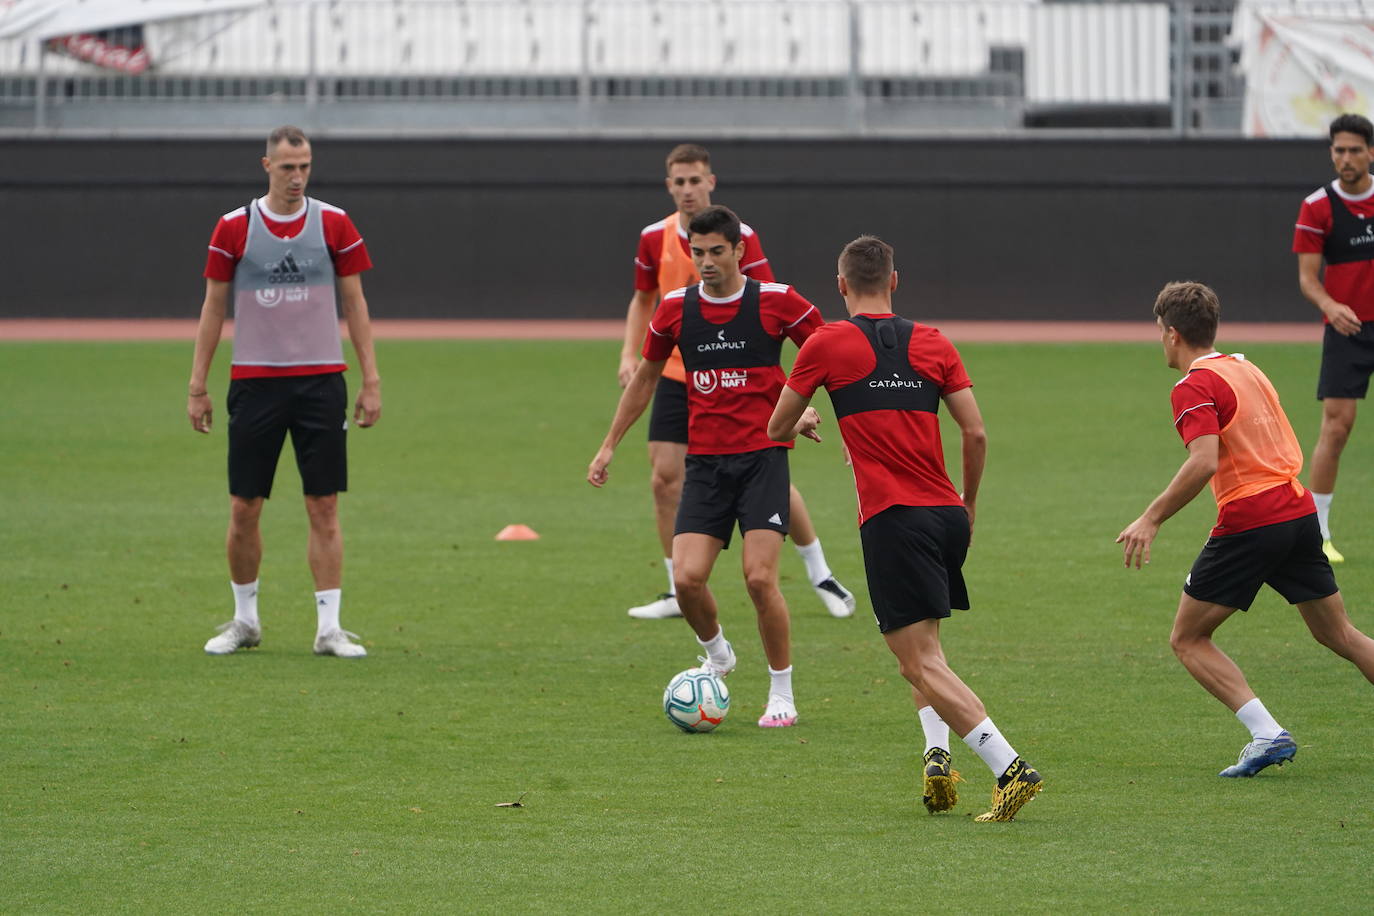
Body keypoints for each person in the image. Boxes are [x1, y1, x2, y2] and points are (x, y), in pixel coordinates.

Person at [768, 236, 1043, 821]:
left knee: (918, 662)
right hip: (946, 514)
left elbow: (775, 428)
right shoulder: (934, 341)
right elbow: (976, 434)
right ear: (896, 282)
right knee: (926, 651)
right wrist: (968, 504)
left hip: (892, 520)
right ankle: (937, 757)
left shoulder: (825, 343)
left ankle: (1010, 768)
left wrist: (814, 416)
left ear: (841, 286)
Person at [1117, 281, 1374, 777]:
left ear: (1172, 334)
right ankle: (1266, 734)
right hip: (1297, 511)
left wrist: (1151, 518)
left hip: (1253, 519)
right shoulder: (1245, 367)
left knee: (1187, 638)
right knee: (1338, 632)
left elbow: (1203, 462)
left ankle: (1267, 733)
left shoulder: (1193, 385)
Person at [591, 205, 822, 728]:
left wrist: (802, 405)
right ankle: (718, 655)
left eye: (717, 251)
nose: (707, 262)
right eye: (698, 253)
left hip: (763, 461)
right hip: (708, 467)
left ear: (740, 250)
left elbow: (830, 351)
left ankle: (781, 691)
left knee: (759, 580)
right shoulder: (675, 309)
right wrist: (609, 445)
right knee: (688, 581)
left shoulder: (778, 301)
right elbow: (646, 379)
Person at [617, 143, 854, 620]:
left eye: (695, 180)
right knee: (665, 480)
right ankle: (675, 590)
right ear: (669, 186)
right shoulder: (653, 237)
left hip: (743, 376)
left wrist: (788, 395)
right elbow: (644, 298)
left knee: (768, 477)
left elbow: (764, 310)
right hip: (676, 373)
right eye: (679, 182)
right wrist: (630, 351)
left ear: (711, 181)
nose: (687, 189)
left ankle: (819, 570)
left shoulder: (742, 236)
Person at [187, 125, 381, 658]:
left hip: (321, 381)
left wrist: (370, 379)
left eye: (306, 166)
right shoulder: (234, 227)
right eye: (288, 167)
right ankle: (245, 620)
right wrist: (198, 385)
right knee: (245, 506)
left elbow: (356, 303)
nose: (298, 177)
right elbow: (212, 307)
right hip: (255, 383)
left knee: (323, 505)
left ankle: (329, 628)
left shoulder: (335, 224)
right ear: (266, 165)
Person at [1294, 113, 1374, 564]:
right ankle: (1318, 534)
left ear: (1371, 152)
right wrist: (1330, 306)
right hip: (1348, 329)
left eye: (1354, 150)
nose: (1345, 158)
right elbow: (1308, 279)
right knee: (1337, 427)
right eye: (1338, 150)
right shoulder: (1317, 207)